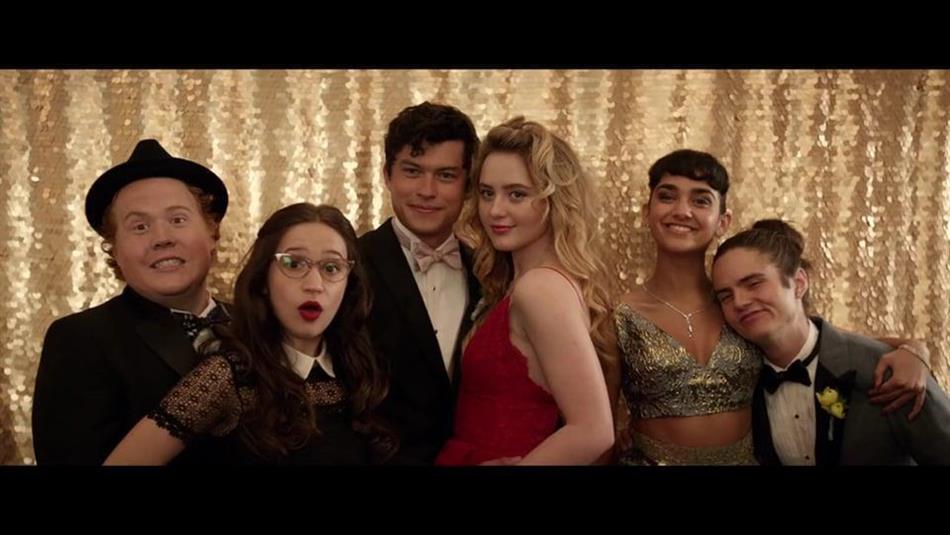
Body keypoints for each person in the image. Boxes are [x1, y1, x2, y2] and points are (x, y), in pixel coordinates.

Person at [613, 149, 931, 465]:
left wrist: (914, 350)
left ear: (723, 221)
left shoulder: (741, 307)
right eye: (667, 196)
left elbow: (827, 343)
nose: (682, 211)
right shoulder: (620, 316)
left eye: (700, 200)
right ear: (647, 212)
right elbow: (600, 422)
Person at [105, 203, 394, 465]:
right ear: (263, 279)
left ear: (349, 284)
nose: (314, 284)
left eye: (332, 268)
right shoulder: (227, 375)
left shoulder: (360, 370)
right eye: (293, 264)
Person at [33, 139, 230, 465]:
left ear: (212, 232)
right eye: (139, 226)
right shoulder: (79, 340)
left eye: (178, 219)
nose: (162, 238)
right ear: (115, 250)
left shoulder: (263, 326)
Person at [435, 117, 615, 465]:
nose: (495, 210)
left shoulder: (540, 289)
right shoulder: (524, 283)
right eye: (487, 193)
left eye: (517, 194)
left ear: (553, 200)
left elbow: (594, 430)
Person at [712, 219, 950, 464]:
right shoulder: (739, 384)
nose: (739, 302)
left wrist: (916, 350)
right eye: (725, 296)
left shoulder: (887, 370)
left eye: (753, 284)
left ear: (799, 283)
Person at [358, 102, 481, 463]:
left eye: (446, 175)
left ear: (468, 184)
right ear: (387, 175)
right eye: (412, 171)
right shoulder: (350, 265)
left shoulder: (492, 272)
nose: (427, 190)